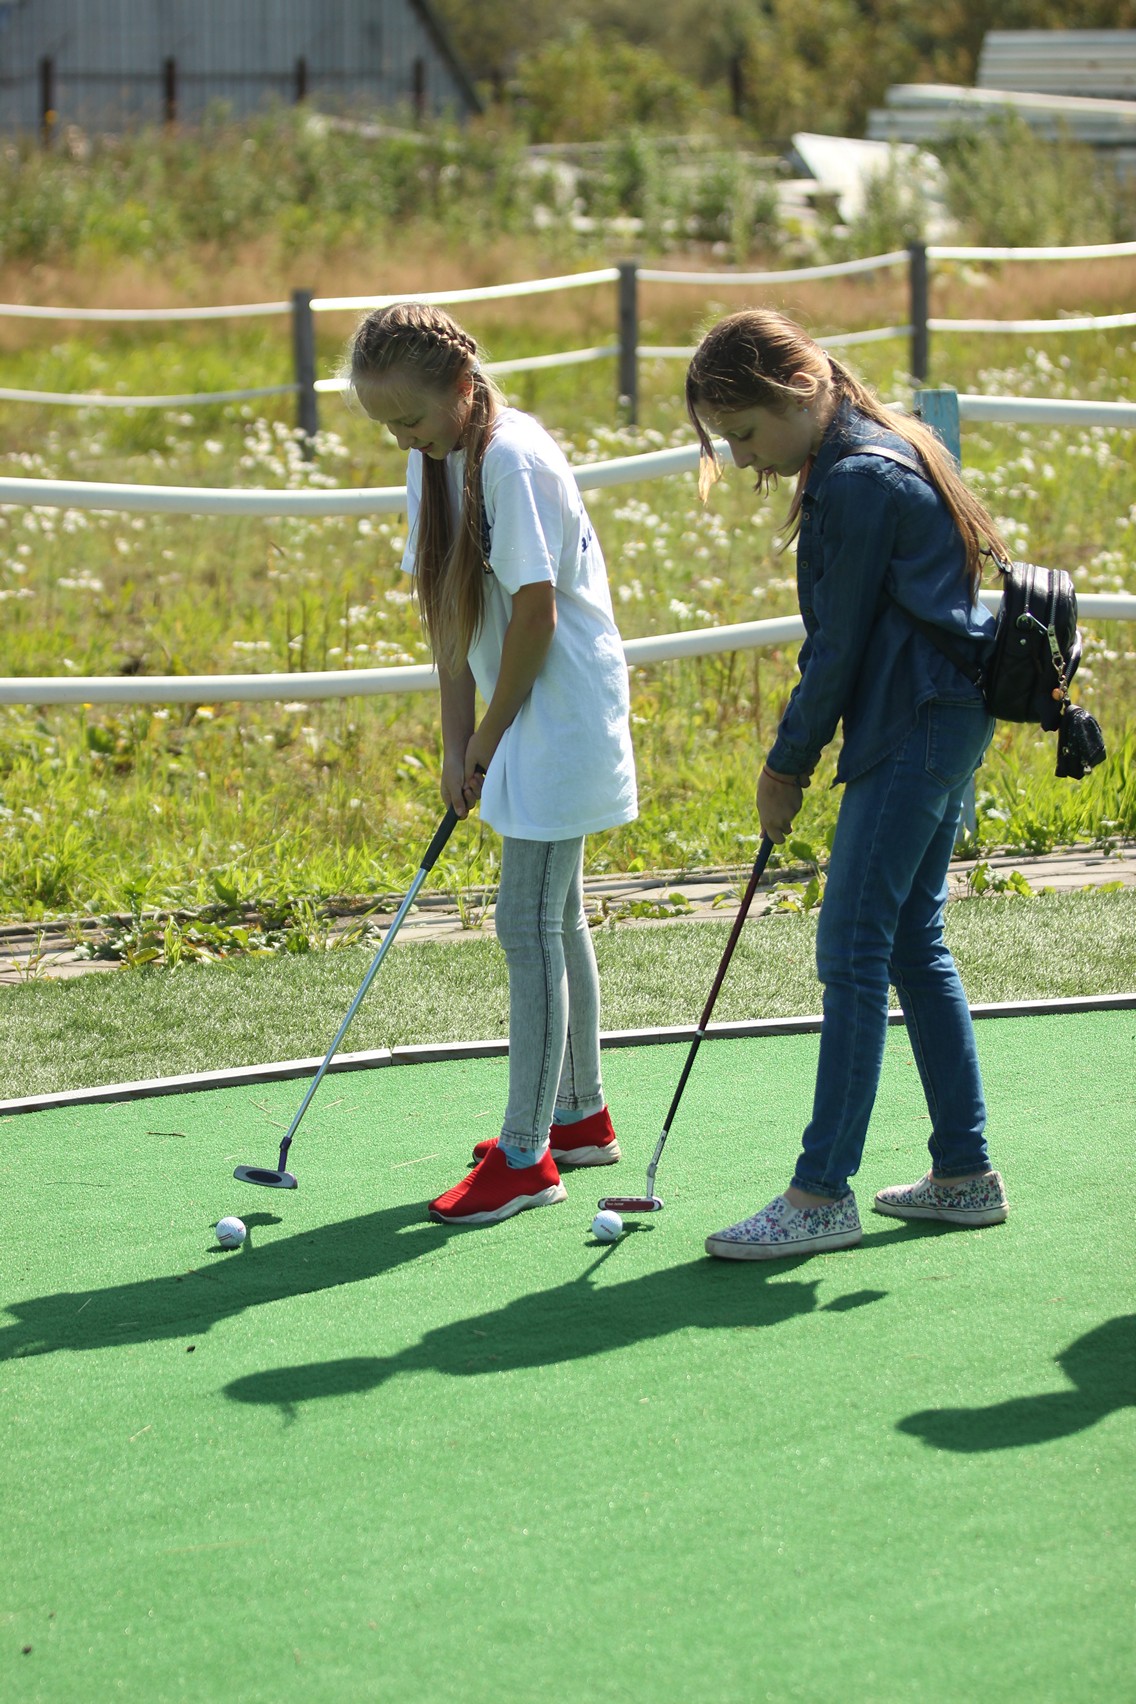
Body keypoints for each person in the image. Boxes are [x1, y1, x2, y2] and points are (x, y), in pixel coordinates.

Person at [685, 308, 1010, 1260]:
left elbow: (839, 647)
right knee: (912, 940)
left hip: (913, 722)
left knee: (855, 948)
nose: (746, 462)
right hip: (942, 716)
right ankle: (965, 1173)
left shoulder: (860, 476)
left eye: (746, 434)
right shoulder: (875, 443)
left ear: (796, 392)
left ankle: (821, 1192)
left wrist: (787, 763)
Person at [347, 302, 637, 1226]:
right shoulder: (434, 460)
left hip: (558, 714)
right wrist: (453, 739)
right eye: (386, 424)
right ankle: (579, 1115)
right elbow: (449, 612)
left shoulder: (511, 457)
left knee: (527, 925)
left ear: (465, 391)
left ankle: (526, 1159)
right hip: (520, 712)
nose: (402, 437)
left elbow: (539, 615)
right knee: (557, 916)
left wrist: (492, 736)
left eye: (411, 418)